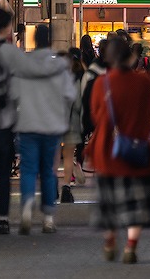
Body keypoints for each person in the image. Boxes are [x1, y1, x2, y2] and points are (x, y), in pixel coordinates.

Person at [0, 8, 67, 236]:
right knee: (2, 171)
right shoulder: (9, 52)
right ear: (8, 27)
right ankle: (2, 219)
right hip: (3, 121)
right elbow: (33, 72)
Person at [89, 36, 150, 264]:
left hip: (107, 152)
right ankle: (131, 247)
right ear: (130, 57)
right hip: (137, 153)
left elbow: (96, 116)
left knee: (110, 203)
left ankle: (110, 241)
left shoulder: (101, 84)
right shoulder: (145, 82)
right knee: (136, 205)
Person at [14, 24, 77, 235]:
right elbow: (70, 95)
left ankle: (25, 211)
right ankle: (48, 218)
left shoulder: (24, 64)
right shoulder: (59, 66)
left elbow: (13, 94)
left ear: (34, 40)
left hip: (28, 124)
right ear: (50, 40)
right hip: (51, 126)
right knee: (49, 172)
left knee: (29, 169)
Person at [59, 47, 86, 203]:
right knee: (69, 157)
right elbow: (78, 104)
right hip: (72, 121)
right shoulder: (78, 77)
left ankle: (51, 189)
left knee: (55, 157)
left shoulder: (56, 78)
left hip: (55, 122)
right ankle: (66, 187)